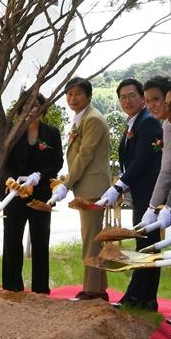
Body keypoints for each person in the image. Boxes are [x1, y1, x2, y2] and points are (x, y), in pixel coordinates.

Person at [99, 79, 164, 310]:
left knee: (148, 245)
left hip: (150, 194)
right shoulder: (134, 123)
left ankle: (139, 297)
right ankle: (144, 298)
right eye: (123, 97)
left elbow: (143, 161)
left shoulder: (148, 123)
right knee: (146, 244)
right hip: (139, 192)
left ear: (142, 98)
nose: (127, 101)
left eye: (132, 95)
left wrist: (118, 186)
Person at [51, 77, 111, 301]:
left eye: (77, 94)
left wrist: (67, 184)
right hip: (86, 185)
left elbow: (85, 155)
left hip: (93, 187)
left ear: (88, 96)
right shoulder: (82, 118)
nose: (72, 98)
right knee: (92, 237)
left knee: (91, 239)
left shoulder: (92, 119)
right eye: (69, 94)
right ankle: (98, 288)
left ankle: (93, 291)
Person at [0, 94, 64, 294]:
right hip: (14, 195)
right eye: (27, 104)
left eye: (36, 104)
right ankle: (11, 287)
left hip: (41, 195)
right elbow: (2, 160)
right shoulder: (11, 131)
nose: (32, 108)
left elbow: (57, 162)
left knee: (40, 241)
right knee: (11, 241)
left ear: (43, 107)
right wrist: (11, 181)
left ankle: (40, 290)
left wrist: (40, 175)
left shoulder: (51, 133)